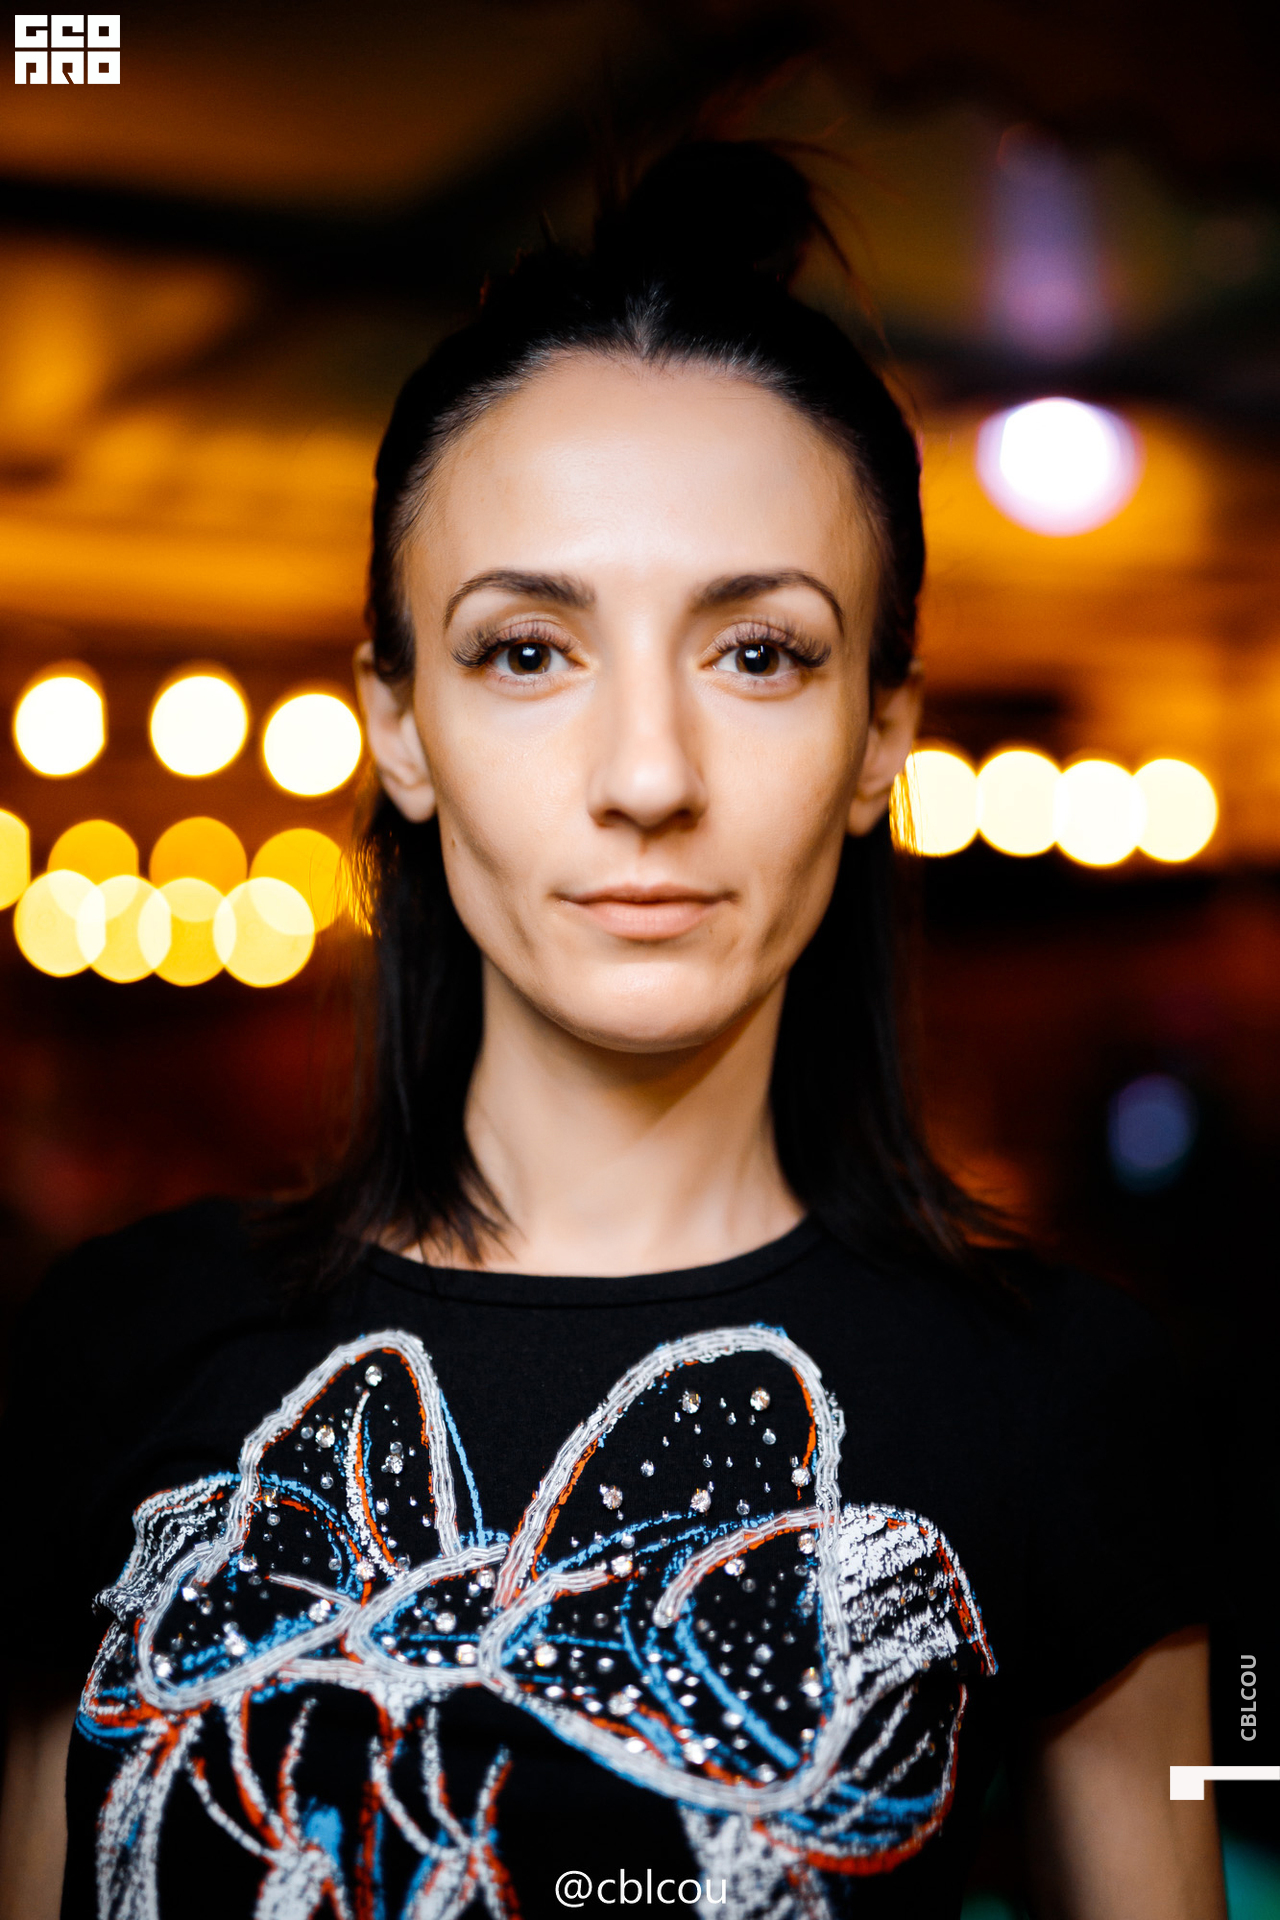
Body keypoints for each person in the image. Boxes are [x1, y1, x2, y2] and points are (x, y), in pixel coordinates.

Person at [0, 143, 1223, 1920]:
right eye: (525, 651)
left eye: (761, 654)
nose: (648, 775)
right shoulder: (116, 1348)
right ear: (398, 727)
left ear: (882, 738)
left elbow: (1208, 1810)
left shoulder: (1076, 1401)